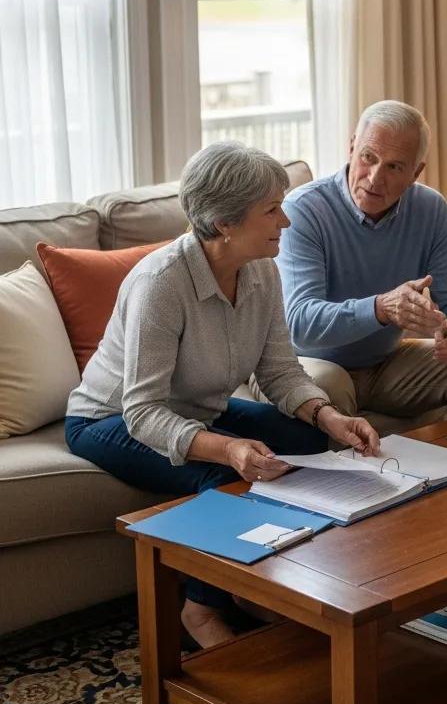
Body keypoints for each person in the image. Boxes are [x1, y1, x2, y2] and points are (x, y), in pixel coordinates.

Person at [66, 142, 381, 648]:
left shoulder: (263, 271)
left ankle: (275, 582)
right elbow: (143, 410)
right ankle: (201, 610)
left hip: (196, 410)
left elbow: (280, 372)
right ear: (224, 223)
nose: (287, 220)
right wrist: (228, 447)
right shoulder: (161, 284)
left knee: (307, 442)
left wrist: (327, 416)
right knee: (222, 474)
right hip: (109, 420)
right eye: (272, 209)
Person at [277, 100, 447, 425]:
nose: (374, 178)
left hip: (383, 364)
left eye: (394, 167)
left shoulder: (430, 209)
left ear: (416, 172)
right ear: (352, 146)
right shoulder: (304, 210)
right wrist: (381, 308)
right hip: (303, 362)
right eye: (368, 157)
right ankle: (353, 474)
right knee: (330, 383)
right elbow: (300, 325)